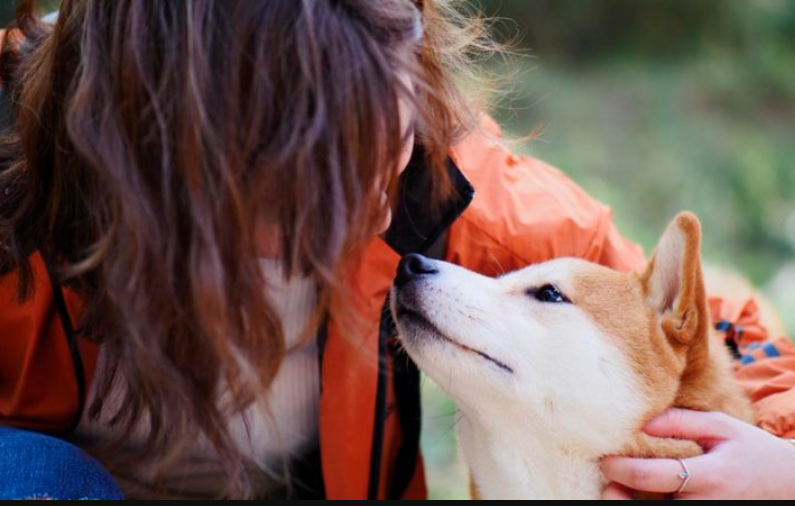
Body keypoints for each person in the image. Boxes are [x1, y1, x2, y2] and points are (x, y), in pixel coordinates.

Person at [1, 0, 793, 500]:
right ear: (183, 154)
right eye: (329, 168)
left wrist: (779, 474)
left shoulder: (448, 193)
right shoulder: (23, 217)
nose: (383, 185)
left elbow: (719, 339)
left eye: (398, 121)